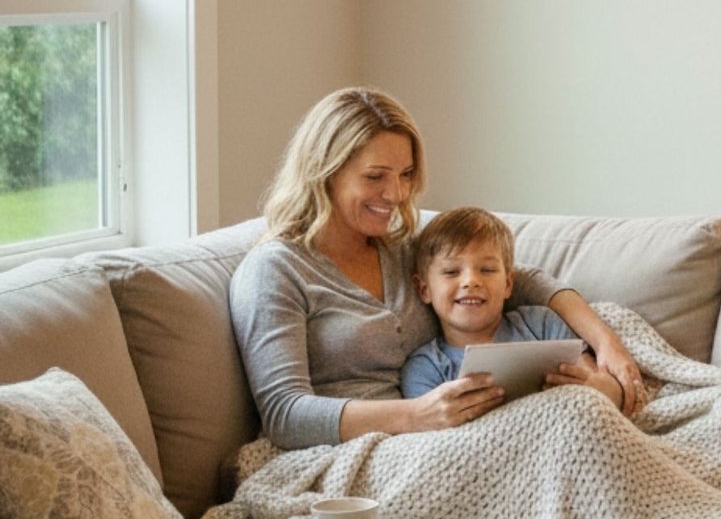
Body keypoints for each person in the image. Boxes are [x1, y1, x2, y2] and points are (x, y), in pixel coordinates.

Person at [230, 87, 646, 450]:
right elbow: (285, 415)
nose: (395, 194)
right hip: (355, 449)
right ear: (325, 173)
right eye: (375, 176)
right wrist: (416, 415)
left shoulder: (402, 249)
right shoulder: (275, 271)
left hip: (450, 433)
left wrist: (605, 343)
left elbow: (522, 280)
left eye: (406, 174)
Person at [399, 206, 623, 408]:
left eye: (487, 270)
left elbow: (599, 383)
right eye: (451, 272)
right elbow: (428, 440)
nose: (470, 281)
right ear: (424, 290)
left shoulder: (541, 324)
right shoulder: (425, 367)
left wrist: (603, 390)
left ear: (508, 285)